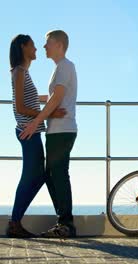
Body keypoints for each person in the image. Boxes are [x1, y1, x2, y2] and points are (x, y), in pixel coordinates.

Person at [6, 34, 66, 238]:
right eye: (32, 45)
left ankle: (15, 221)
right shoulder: (19, 72)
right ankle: (14, 222)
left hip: (32, 131)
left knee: (40, 175)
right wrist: (50, 112)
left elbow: (32, 99)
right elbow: (21, 107)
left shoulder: (24, 72)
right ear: (23, 47)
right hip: (27, 131)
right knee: (30, 177)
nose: (37, 49)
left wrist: (54, 99)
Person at [20, 30, 78, 238]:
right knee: (52, 175)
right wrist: (28, 97)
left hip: (62, 130)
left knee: (58, 174)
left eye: (48, 43)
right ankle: (63, 221)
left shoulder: (65, 66)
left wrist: (36, 120)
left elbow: (57, 98)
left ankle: (66, 224)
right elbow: (53, 96)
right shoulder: (60, 68)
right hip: (57, 130)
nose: (44, 47)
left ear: (59, 45)